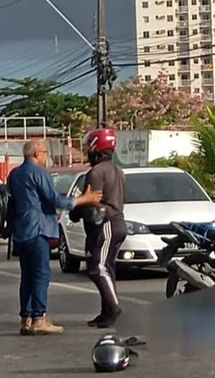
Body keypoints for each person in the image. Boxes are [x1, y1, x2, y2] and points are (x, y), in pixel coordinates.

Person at [9, 139, 102, 336]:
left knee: (27, 276)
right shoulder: (39, 173)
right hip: (38, 229)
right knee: (41, 274)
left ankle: (26, 318)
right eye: (44, 152)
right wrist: (83, 199)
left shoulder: (15, 174)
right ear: (36, 154)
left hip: (21, 231)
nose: (46, 156)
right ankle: (39, 317)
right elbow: (54, 200)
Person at [75, 128, 127, 329]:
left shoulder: (96, 172)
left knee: (98, 268)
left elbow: (90, 201)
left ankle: (114, 309)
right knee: (108, 268)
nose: (87, 149)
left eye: (89, 145)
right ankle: (106, 312)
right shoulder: (117, 171)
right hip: (117, 223)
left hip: (105, 224)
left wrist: (75, 211)